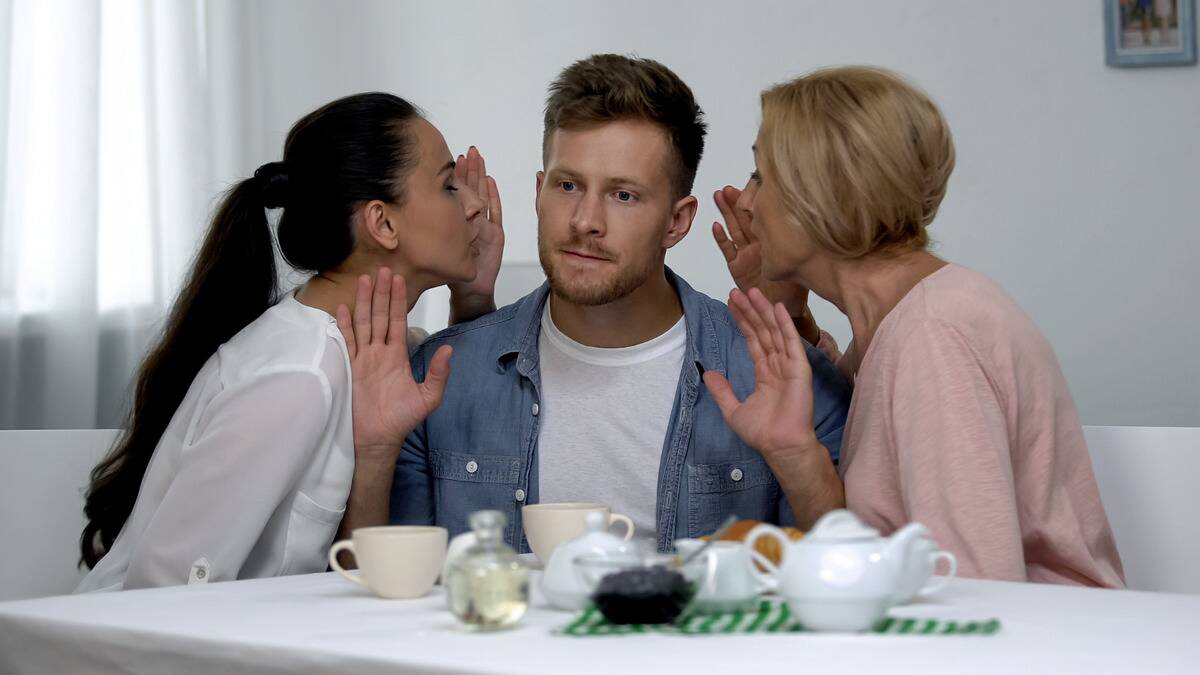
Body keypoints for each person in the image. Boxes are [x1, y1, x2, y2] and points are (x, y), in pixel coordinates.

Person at [340, 54, 852, 554]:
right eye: (567, 185)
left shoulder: (787, 382)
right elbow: (378, 593)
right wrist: (376, 450)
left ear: (677, 222)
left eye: (623, 195)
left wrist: (796, 459)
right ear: (539, 193)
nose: (585, 220)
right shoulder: (440, 377)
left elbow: (842, 582)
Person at [706, 66, 1124, 586]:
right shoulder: (898, 330)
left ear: (823, 195)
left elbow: (968, 595)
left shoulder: (934, 338)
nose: (745, 202)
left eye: (761, 176)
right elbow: (864, 563)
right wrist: (787, 320)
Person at [76, 92, 503, 591]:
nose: (476, 204)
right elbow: (162, 594)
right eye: (450, 186)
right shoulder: (297, 379)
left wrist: (472, 301)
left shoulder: (383, 353)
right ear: (383, 223)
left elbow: (354, 583)